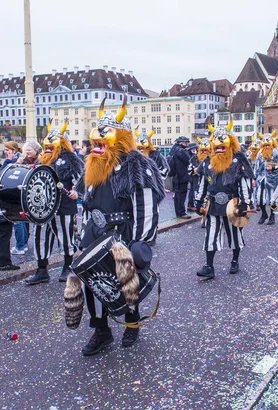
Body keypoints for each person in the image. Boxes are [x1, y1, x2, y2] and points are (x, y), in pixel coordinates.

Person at [73, 97, 165, 355]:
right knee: (94, 283)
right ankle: (101, 330)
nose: (97, 144)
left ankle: (132, 324)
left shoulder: (136, 165)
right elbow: (88, 203)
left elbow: (147, 205)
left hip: (121, 234)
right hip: (95, 234)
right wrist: (81, 237)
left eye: (105, 138)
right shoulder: (92, 165)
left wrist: (141, 243)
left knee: (126, 283)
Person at [25, 120, 84, 285]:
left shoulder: (71, 158)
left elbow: (81, 179)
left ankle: (68, 266)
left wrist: (76, 192)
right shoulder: (42, 160)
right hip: (42, 206)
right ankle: (42, 270)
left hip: (63, 204)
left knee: (65, 237)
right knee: (40, 237)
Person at [194, 121, 254, 280]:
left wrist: (244, 203)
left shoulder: (238, 159)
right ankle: (209, 266)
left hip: (232, 205)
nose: (219, 144)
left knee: (234, 235)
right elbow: (203, 183)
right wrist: (198, 201)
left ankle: (235, 261)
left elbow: (244, 183)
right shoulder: (208, 161)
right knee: (210, 235)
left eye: (223, 140)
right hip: (213, 204)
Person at [10, 142, 42, 255]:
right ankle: (24, 243)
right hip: (23, 194)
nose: (27, 152)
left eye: (30, 150)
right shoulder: (22, 161)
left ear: (36, 151)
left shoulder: (40, 162)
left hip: (35, 194)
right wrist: (16, 163)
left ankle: (31, 245)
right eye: (26, 150)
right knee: (23, 219)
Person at [255, 132, 278, 225]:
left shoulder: (277, 152)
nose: (266, 143)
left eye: (268, 141)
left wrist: (274, 167)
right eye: (264, 141)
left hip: (273, 179)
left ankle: (272, 215)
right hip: (262, 178)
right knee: (260, 198)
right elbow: (257, 166)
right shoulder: (260, 153)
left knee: (272, 199)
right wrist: (254, 178)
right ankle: (264, 214)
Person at [169, 136, 191, 219]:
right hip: (181, 176)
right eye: (185, 142)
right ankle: (182, 213)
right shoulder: (181, 151)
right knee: (181, 195)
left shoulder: (173, 149)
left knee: (177, 195)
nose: (187, 144)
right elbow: (188, 160)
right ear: (181, 142)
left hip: (175, 176)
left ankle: (178, 213)